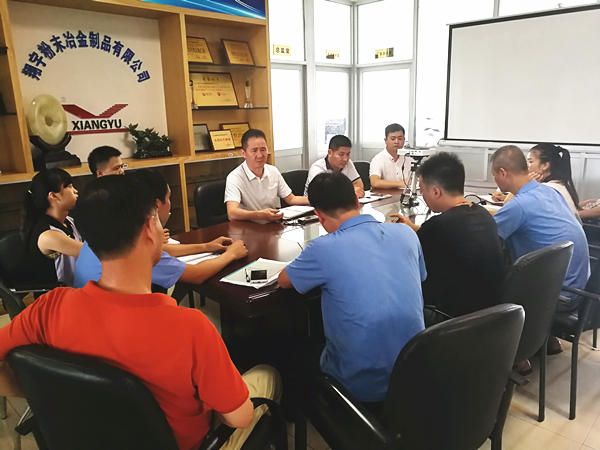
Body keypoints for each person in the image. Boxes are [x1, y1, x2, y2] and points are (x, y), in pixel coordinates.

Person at [0, 175, 281, 450]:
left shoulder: (47, 309)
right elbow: (238, 418)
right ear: (149, 228)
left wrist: (54, 392)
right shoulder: (191, 327)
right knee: (268, 375)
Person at [278, 172, 426, 406]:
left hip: (359, 386)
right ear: (357, 201)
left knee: (294, 351)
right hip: (415, 372)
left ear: (319, 215)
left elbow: (284, 281)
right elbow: (420, 277)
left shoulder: (323, 248)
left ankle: (298, 412)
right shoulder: (406, 233)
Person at [74, 168, 244, 289]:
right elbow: (197, 274)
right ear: (155, 205)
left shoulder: (109, 232)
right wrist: (231, 254)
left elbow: (162, 250)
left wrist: (207, 246)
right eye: (168, 198)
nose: (169, 204)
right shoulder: (136, 251)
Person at [391, 152, 506, 318]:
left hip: (454, 320)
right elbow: (454, 234)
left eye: (422, 190)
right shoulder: (483, 214)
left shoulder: (437, 227)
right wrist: (415, 228)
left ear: (436, 192)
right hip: (493, 315)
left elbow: (409, 267)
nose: (422, 195)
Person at [491, 145, 590, 313]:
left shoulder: (520, 205)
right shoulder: (550, 192)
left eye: (494, 175)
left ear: (503, 173)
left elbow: (484, 238)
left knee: (479, 286)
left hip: (555, 296)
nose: (495, 180)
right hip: (578, 290)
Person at [225, 129, 309, 222]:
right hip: (248, 227)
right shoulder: (235, 177)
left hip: (272, 224)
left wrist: (315, 199)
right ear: (243, 153)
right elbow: (232, 213)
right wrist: (260, 215)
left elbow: (291, 199)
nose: (260, 155)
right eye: (254, 150)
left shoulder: (273, 171)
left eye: (263, 150)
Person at [21, 168, 83, 286]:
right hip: (57, 295)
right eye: (69, 186)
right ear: (53, 195)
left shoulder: (68, 221)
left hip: (75, 289)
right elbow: (92, 254)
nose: (75, 191)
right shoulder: (49, 235)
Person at [526, 143, 580, 220]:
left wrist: (525, 185)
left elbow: (514, 207)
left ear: (545, 165)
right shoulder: (559, 185)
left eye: (530, 162)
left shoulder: (546, 189)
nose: (526, 165)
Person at [369, 123, 408, 189]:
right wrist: (402, 183)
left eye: (400, 138)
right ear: (386, 141)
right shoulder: (378, 159)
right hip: (386, 194)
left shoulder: (410, 158)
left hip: (407, 194)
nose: (396, 142)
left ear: (404, 140)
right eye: (393, 139)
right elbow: (375, 182)